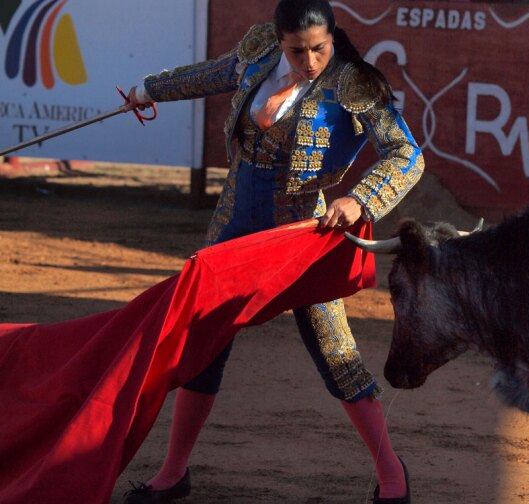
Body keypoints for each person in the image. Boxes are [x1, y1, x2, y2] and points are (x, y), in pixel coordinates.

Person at [122, 1, 424, 502]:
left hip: (302, 234)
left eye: (319, 48)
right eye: (298, 50)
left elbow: (407, 154)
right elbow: (209, 74)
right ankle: (173, 472)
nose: (309, 60)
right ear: (280, 40)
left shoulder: (353, 84)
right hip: (234, 222)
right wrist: (146, 91)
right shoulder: (259, 49)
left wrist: (359, 198)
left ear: (333, 36)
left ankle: (392, 472)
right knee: (204, 342)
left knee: (334, 349)